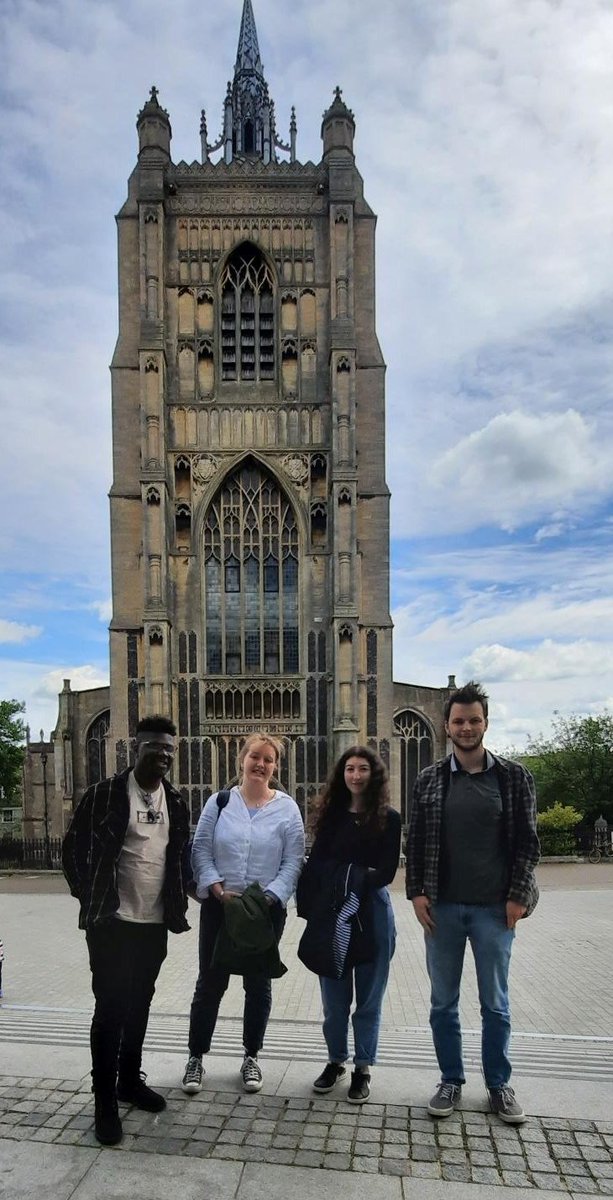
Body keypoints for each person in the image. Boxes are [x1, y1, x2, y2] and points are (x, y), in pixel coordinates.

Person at [406, 680, 540, 1125]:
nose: (466, 728)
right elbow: (418, 839)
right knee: (443, 1002)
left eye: (474, 720)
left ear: (486, 723)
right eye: (459, 721)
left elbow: (528, 844)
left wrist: (518, 898)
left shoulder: (514, 776)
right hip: (442, 910)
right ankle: (451, 1080)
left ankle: (499, 1086)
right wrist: (417, 893)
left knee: (495, 1004)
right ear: (446, 726)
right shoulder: (428, 778)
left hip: (493, 911)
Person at [62, 714, 189, 1146]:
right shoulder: (105, 795)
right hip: (112, 924)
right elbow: (72, 849)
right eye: (156, 747)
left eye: (170, 749)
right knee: (111, 1010)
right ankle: (104, 1101)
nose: (164, 755)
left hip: (153, 925)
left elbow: (179, 860)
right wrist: (90, 897)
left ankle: (129, 1081)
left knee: (140, 1005)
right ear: (138, 748)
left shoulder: (176, 802)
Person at [182, 734, 304, 1095]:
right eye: (255, 756)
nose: (261, 764)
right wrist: (216, 888)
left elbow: (293, 859)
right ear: (241, 760)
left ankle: (251, 1056)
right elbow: (201, 849)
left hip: (264, 911)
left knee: (258, 985)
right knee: (210, 983)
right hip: (221, 908)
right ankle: (196, 1057)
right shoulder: (219, 803)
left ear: (275, 766)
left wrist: (272, 896)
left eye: (268, 759)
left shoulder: (287, 809)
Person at [303, 746, 401, 1104]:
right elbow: (316, 864)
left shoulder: (390, 818)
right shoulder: (330, 816)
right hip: (334, 914)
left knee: (370, 1000)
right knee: (334, 999)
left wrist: (344, 876)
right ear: (341, 775)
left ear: (373, 774)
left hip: (373, 913)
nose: (356, 775)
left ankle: (363, 1067)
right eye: (349, 769)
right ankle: (335, 1060)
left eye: (362, 769)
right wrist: (354, 877)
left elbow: (387, 872)